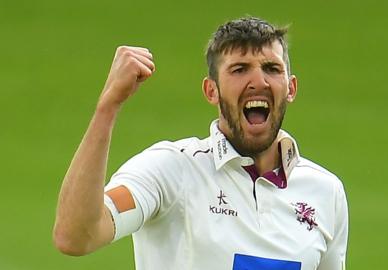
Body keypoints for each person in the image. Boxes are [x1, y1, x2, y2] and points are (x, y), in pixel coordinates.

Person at [53, 17, 349, 270]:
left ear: (291, 88)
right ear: (212, 91)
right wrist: (108, 107)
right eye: (239, 69)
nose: (258, 82)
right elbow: (77, 236)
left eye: (271, 69)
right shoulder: (172, 169)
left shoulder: (325, 191)